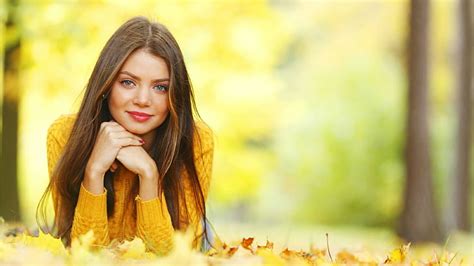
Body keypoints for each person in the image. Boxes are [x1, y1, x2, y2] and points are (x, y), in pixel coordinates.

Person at [36, 16, 215, 255]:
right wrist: (94, 171)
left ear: (175, 94)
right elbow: (83, 254)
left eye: (160, 87)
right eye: (128, 82)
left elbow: (173, 258)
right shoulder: (66, 135)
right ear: (107, 84)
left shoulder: (196, 140)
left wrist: (149, 175)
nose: (142, 100)